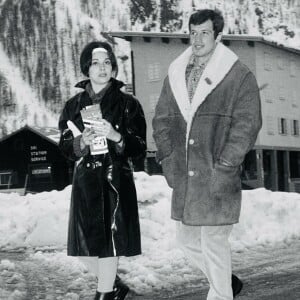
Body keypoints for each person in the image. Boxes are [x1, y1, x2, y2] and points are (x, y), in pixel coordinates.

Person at [152, 9, 262, 300]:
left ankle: (221, 292)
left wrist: (226, 163)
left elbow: (248, 124)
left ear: (218, 36)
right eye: (193, 32)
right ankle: (224, 282)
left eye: (204, 32)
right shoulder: (176, 74)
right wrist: (167, 157)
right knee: (187, 241)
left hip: (217, 176)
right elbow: (161, 119)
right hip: (186, 179)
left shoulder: (238, 75)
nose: (197, 39)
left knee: (214, 243)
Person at [58, 41, 146, 300]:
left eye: (107, 62)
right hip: (85, 181)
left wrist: (116, 136)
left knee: (111, 244)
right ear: (87, 67)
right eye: (96, 63)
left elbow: (139, 146)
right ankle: (114, 285)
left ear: (114, 67)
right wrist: (79, 143)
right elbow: (64, 147)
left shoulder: (129, 103)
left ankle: (105, 293)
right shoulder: (73, 105)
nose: (102, 67)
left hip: (115, 180)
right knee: (83, 247)